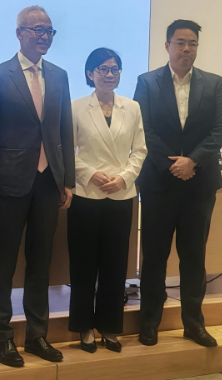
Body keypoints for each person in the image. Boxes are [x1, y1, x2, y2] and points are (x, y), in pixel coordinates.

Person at [0, 6, 75, 367]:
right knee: (3, 264)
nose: (44, 37)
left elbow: (64, 130)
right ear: (19, 33)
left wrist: (67, 179)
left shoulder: (59, 76)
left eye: (49, 31)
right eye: (37, 30)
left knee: (40, 263)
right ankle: (2, 339)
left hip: (49, 183)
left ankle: (37, 336)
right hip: (8, 184)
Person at [134, 19, 222, 348]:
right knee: (154, 256)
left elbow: (221, 128)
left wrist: (193, 160)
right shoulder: (147, 83)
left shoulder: (213, 83)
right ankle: (149, 322)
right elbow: (143, 129)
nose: (186, 49)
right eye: (180, 43)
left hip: (199, 185)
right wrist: (172, 164)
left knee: (194, 257)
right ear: (167, 46)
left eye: (192, 44)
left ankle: (194, 324)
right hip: (159, 183)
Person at [68, 48, 147, 353]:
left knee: (115, 265)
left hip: (121, 194)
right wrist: (90, 174)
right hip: (87, 193)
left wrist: (124, 178)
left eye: (115, 69)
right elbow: (68, 150)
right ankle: (84, 327)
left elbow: (140, 150)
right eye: (103, 69)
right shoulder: (76, 107)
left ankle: (110, 326)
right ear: (90, 74)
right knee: (84, 265)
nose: (109, 74)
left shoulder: (132, 107)